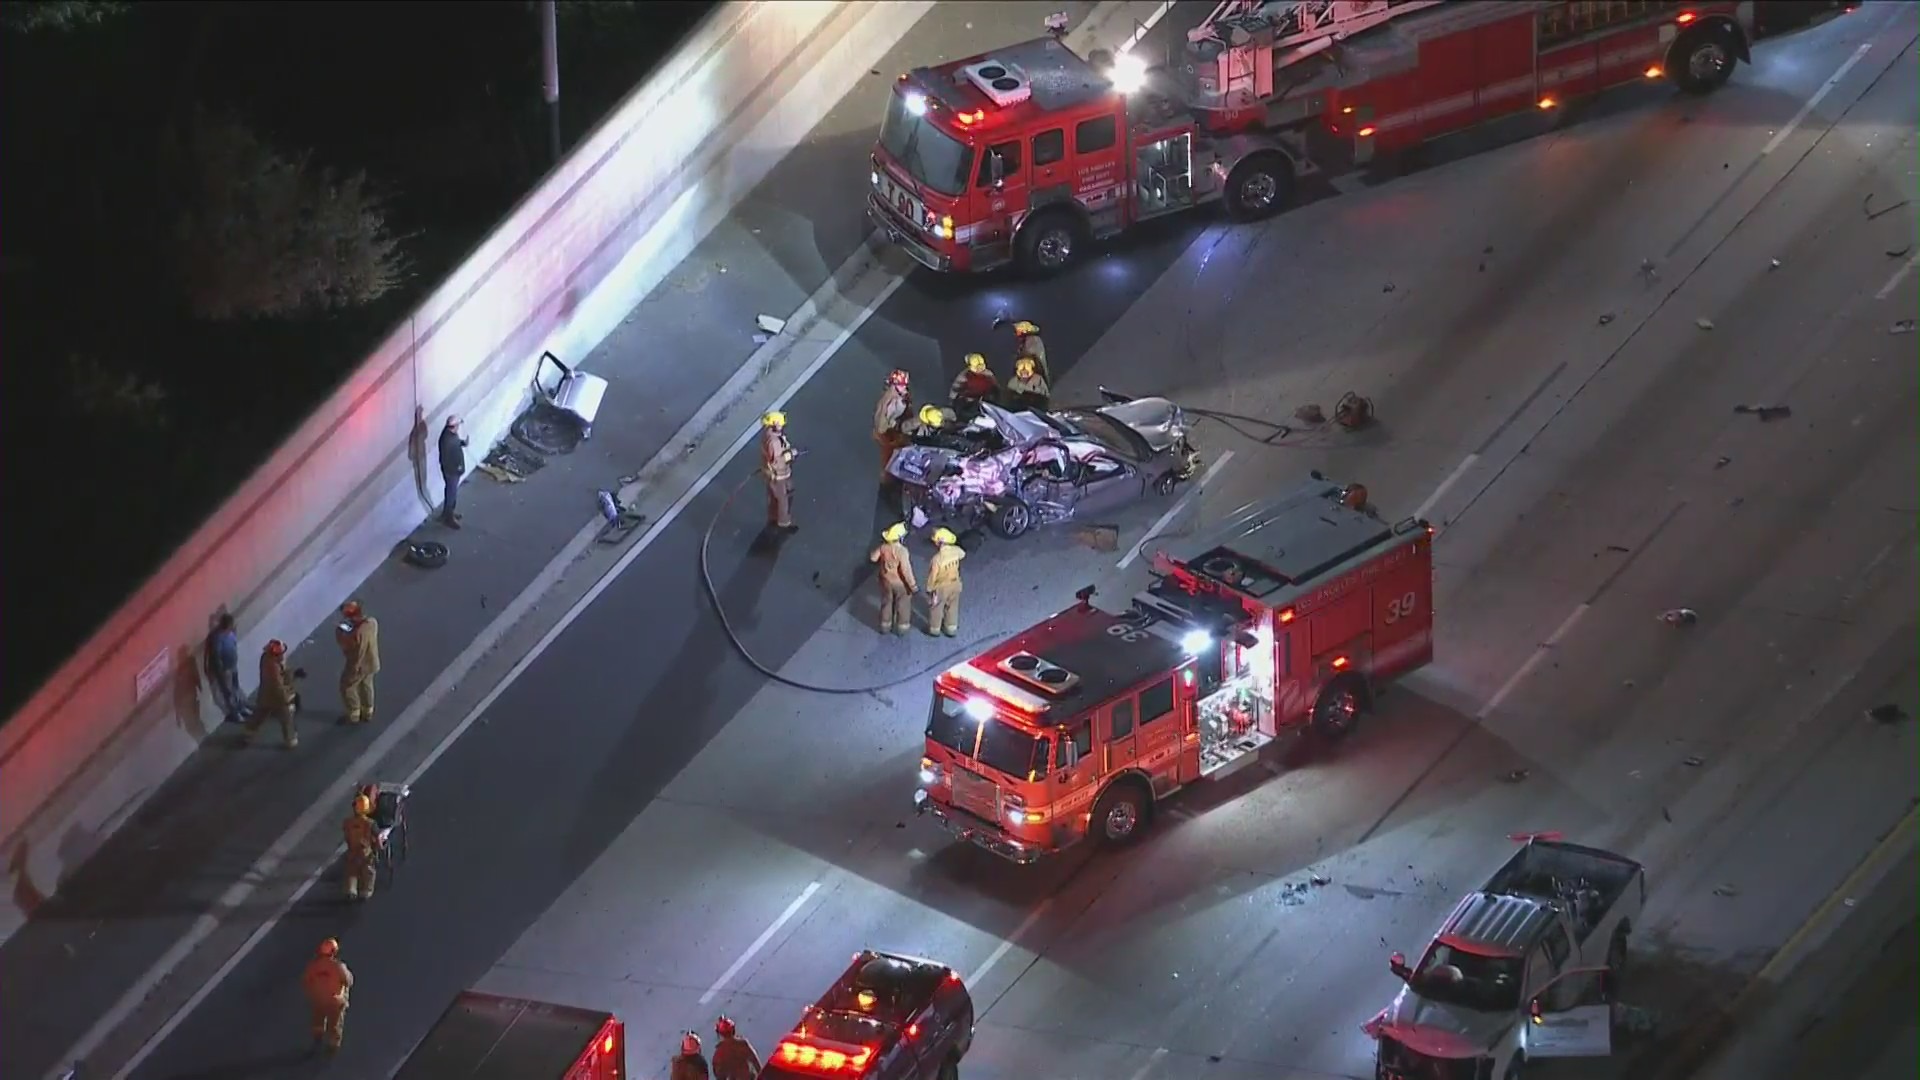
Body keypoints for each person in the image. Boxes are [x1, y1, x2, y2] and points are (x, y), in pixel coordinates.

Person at [243, 639, 299, 749]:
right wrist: (288, 696)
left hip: (265, 694)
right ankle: (290, 739)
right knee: (286, 718)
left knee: (261, 713)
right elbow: (278, 686)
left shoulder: (266, 659)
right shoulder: (273, 667)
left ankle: (249, 732)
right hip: (277, 697)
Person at [302, 938, 354, 1053]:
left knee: (318, 1018)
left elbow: (306, 981)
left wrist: (313, 993)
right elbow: (348, 980)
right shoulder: (338, 966)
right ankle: (332, 1046)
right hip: (334, 1001)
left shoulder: (313, 966)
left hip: (317, 999)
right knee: (335, 1023)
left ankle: (317, 1037)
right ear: (334, 952)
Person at [336, 601, 381, 725]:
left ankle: (354, 713)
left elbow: (352, 650)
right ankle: (368, 711)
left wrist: (341, 634)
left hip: (359, 666)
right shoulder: (372, 622)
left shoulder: (357, 634)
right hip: (372, 662)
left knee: (347, 687)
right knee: (367, 684)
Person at [869, 523, 918, 636]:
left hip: (886, 581)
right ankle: (902, 628)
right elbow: (906, 570)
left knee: (887, 602)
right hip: (900, 584)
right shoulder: (902, 551)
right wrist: (913, 585)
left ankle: (885, 626)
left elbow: (873, 558)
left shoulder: (883, 547)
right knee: (903, 604)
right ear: (900, 538)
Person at [202, 612, 247, 725]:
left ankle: (241, 708)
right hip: (225, 669)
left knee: (235, 688)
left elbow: (233, 645)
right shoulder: (217, 638)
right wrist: (221, 671)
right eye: (232, 624)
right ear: (227, 625)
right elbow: (216, 656)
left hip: (232, 666)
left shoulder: (230, 634)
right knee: (228, 692)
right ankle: (235, 713)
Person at [924, 528, 966, 638]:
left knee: (936, 608)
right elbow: (963, 554)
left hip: (941, 588)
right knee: (952, 606)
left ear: (939, 543)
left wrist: (929, 589)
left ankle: (934, 629)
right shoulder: (956, 551)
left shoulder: (937, 559)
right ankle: (951, 628)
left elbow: (933, 576)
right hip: (955, 585)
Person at [759, 411, 797, 533]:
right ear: (774, 423)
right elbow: (776, 461)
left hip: (773, 475)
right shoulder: (774, 442)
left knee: (775, 497)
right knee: (782, 499)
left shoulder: (771, 436)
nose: (782, 426)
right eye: (780, 424)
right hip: (778, 475)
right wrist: (790, 455)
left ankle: (773, 517)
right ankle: (783, 522)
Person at [872, 369, 912, 483]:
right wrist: (893, 424)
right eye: (902, 386)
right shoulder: (890, 404)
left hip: (894, 425)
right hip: (890, 434)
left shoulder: (895, 394)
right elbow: (881, 427)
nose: (905, 388)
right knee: (890, 457)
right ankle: (888, 481)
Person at [343, 794, 379, 901]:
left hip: (352, 851)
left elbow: (347, 835)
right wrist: (378, 847)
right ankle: (366, 892)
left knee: (351, 871)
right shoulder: (370, 823)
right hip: (365, 852)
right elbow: (377, 837)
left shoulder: (347, 822)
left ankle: (351, 890)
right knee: (368, 872)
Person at [438, 414, 470, 528]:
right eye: (457, 425)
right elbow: (446, 459)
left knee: (451, 492)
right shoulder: (448, 441)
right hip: (452, 472)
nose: (458, 428)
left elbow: (456, 443)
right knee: (451, 493)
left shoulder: (450, 435)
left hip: (452, 471)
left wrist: (462, 443)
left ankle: (447, 513)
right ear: (454, 426)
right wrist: (456, 469)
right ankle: (449, 518)